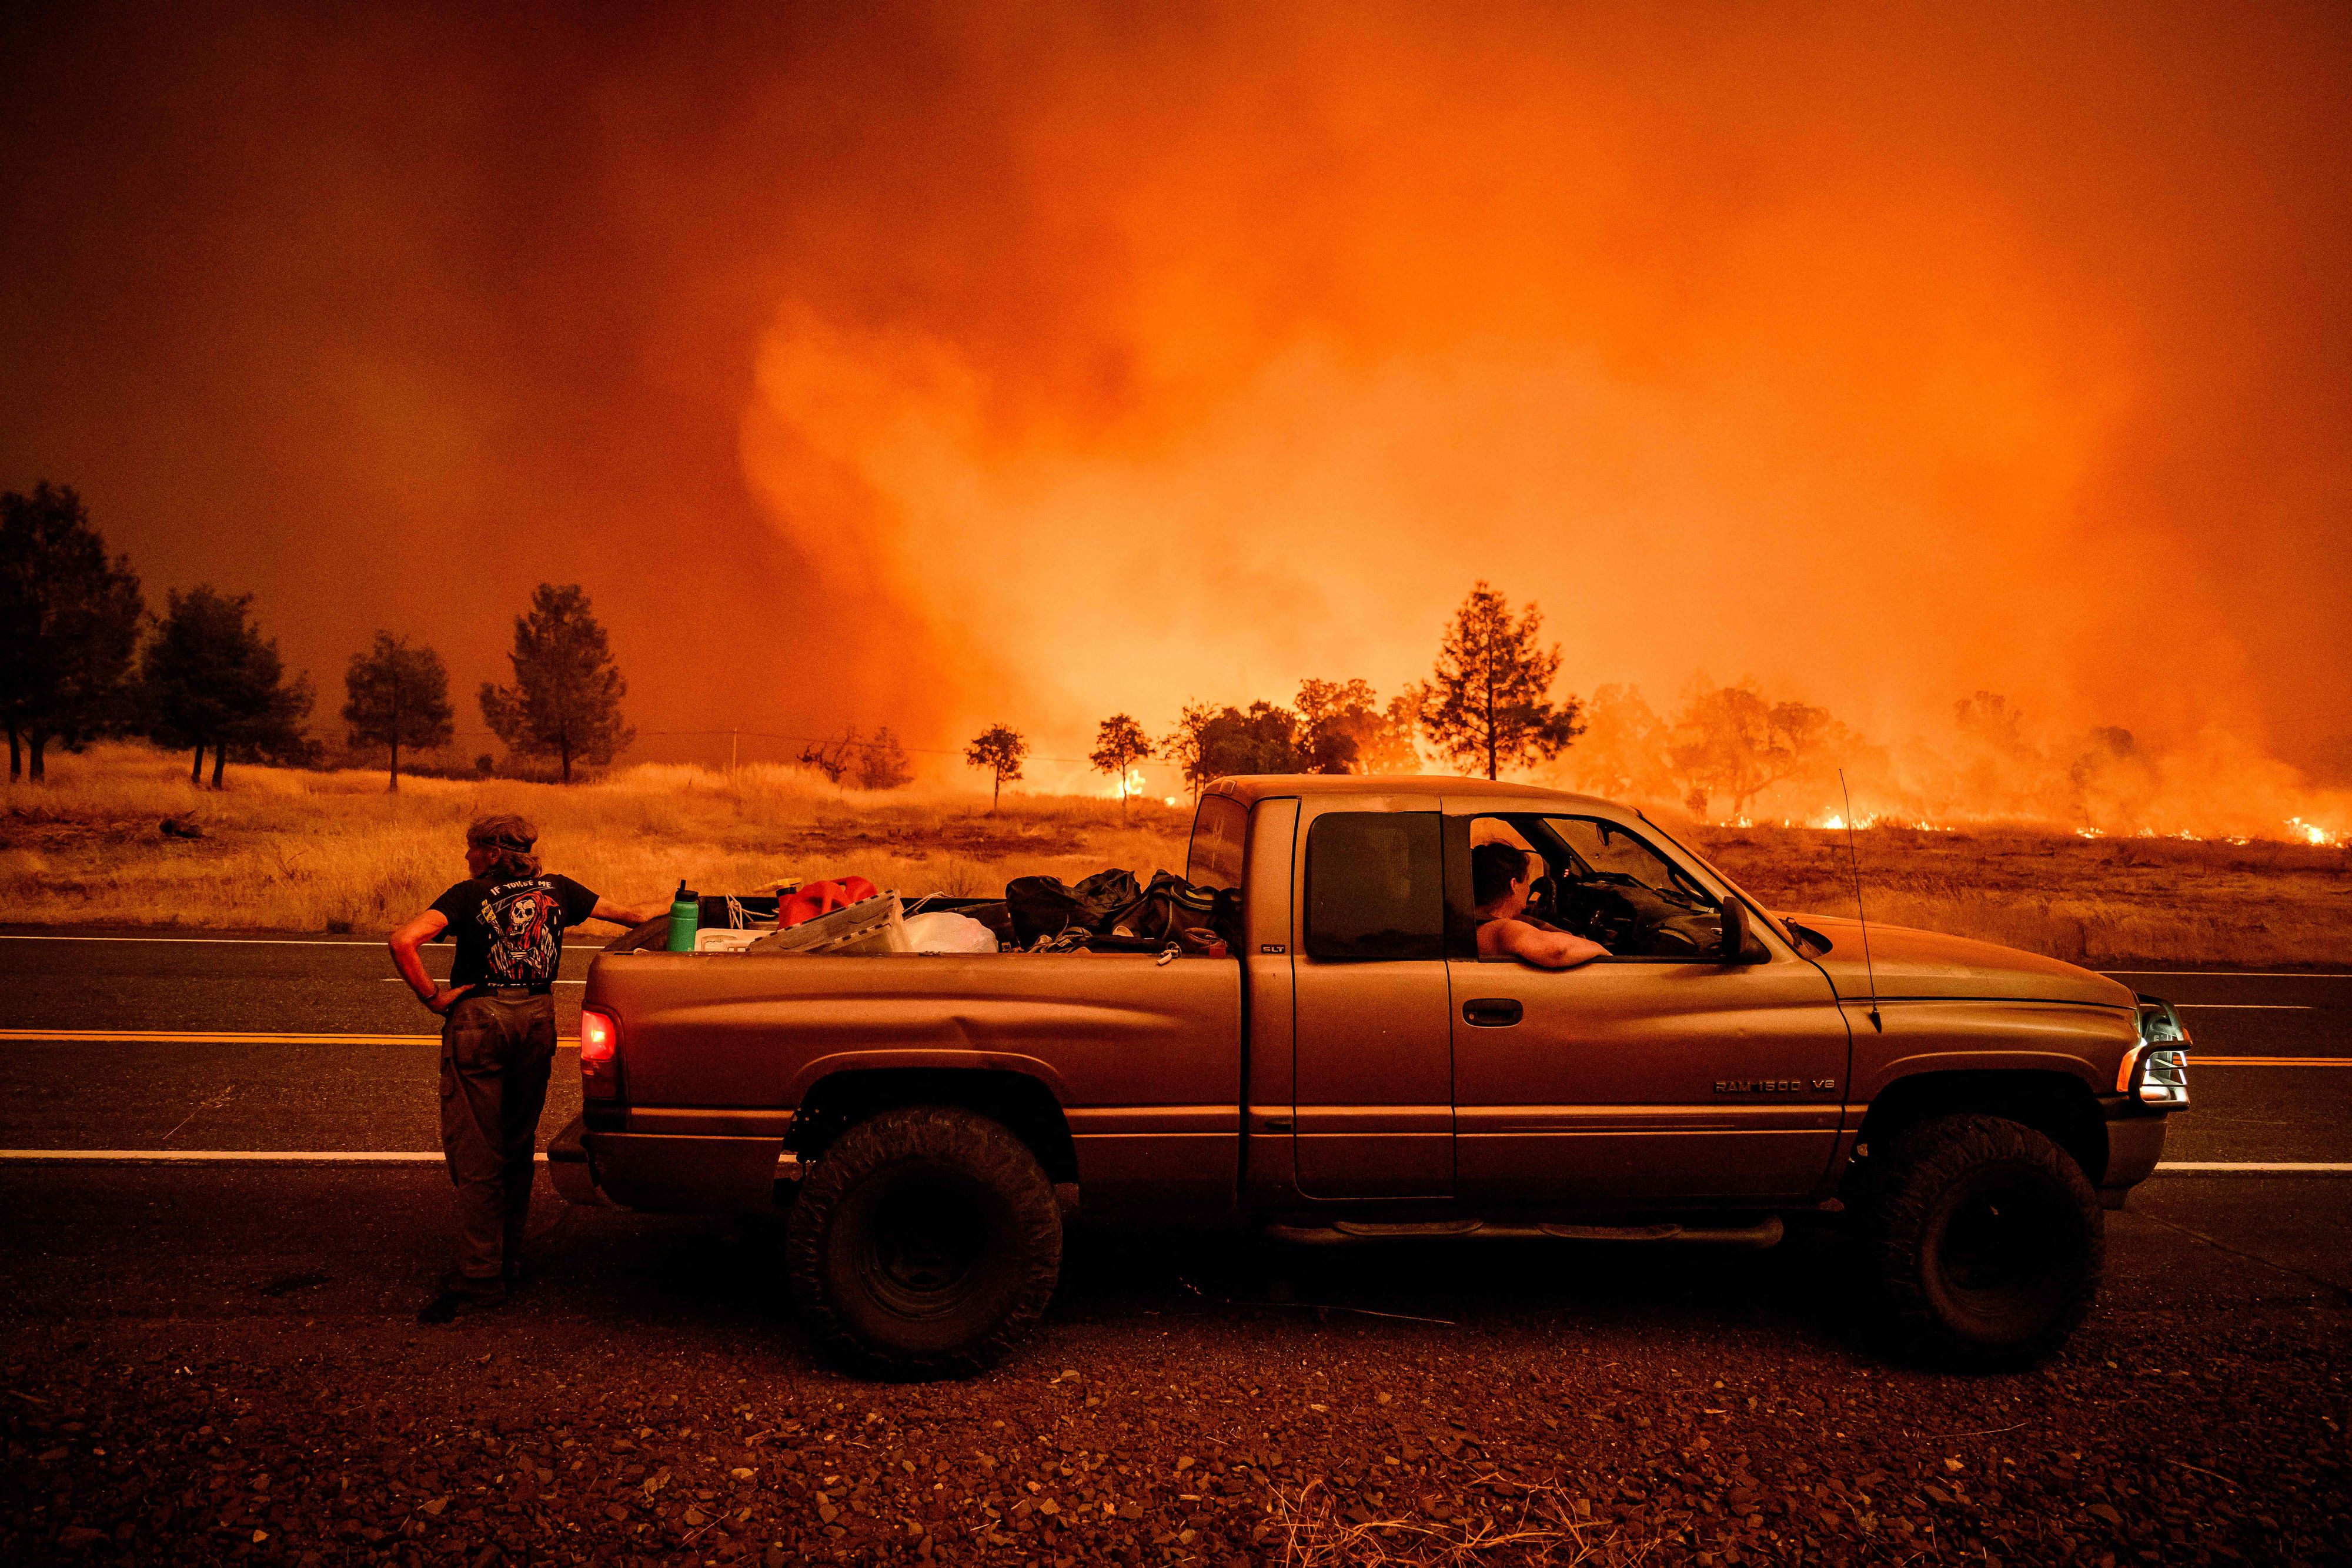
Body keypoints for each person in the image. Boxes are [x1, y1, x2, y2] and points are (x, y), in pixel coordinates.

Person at [387, 814, 663, 1323]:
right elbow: (637, 916)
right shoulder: (559, 890)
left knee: (477, 1154)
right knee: (516, 1146)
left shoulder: (468, 895)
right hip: (537, 1018)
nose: (466, 857)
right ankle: (508, 1261)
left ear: (492, 853)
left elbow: (404, 940)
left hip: (480, 1020)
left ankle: (479, 1276)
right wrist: (698, 902)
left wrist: (434, 997)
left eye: (471, 848)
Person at [1472, 841, 1608, 969]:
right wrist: (1602, 951)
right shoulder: (1500, 929)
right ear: (1513, 885)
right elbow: (1556, 951)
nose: (1528, 888)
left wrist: (1541, 925)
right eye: (1526, 881)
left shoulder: (1477, 919)